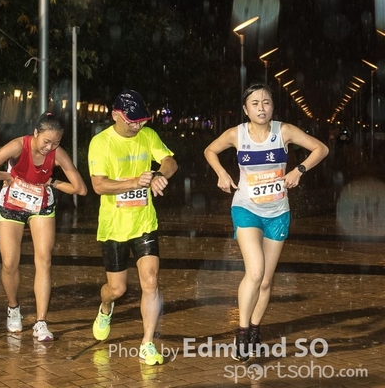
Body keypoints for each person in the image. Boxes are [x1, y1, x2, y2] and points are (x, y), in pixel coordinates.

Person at [204, 83, 328, 362]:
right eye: (255, 103)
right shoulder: (236, 134)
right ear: (245, 109)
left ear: (272, 107)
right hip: (246, 208)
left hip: (278, 212)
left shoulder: (284, 131)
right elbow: (210, 151)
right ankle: (242, 331)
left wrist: (299, 169)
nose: (261, 108)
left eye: (266, 102)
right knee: (256, 271)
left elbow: (321, 149)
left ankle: (255, 327)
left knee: (266, 280)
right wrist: (221, 173)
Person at [88, 89, 178, 366]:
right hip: (114, 226)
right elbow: (99, 185)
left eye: (142, 121)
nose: (137, 126)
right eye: (132, 122)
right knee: (117, 289)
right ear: (115, 115)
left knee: (151, 281)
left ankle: (147, 343)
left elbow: (170, 161)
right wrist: (135, 182)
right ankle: (105, 307)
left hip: (144, 223)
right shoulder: (101, 143)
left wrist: (159, 175)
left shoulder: (147, 136)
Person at [0, 112, 88, 342]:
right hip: (12, 203)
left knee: (44, 260)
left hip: (41, 205)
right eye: (46, 141)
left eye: (56, 143)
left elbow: (80, 189)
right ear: (35, 134)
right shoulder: (17, 146)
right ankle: (13, 307)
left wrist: (52, 182)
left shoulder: (57, 154)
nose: (49, 147)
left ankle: (41, 322)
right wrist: (6, 176)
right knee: (9, 263)